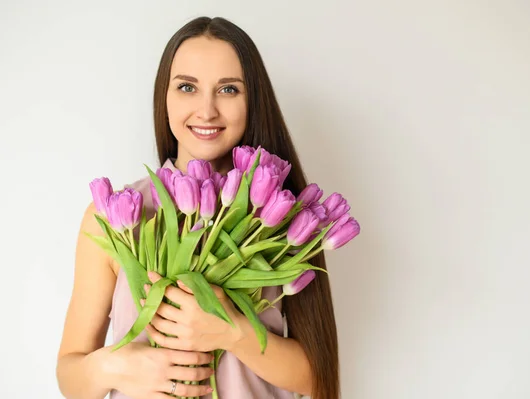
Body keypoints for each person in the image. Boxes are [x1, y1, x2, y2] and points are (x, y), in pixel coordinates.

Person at [56, 16, 339, 399]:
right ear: (165, 96)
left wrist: (232, 331)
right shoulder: (114, 214)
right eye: (187, 87)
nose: (206, 111)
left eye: (228, 90)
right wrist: (117, 365)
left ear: (252, 99)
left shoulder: (282, 218)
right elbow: (71, 377)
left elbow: (319, 379)